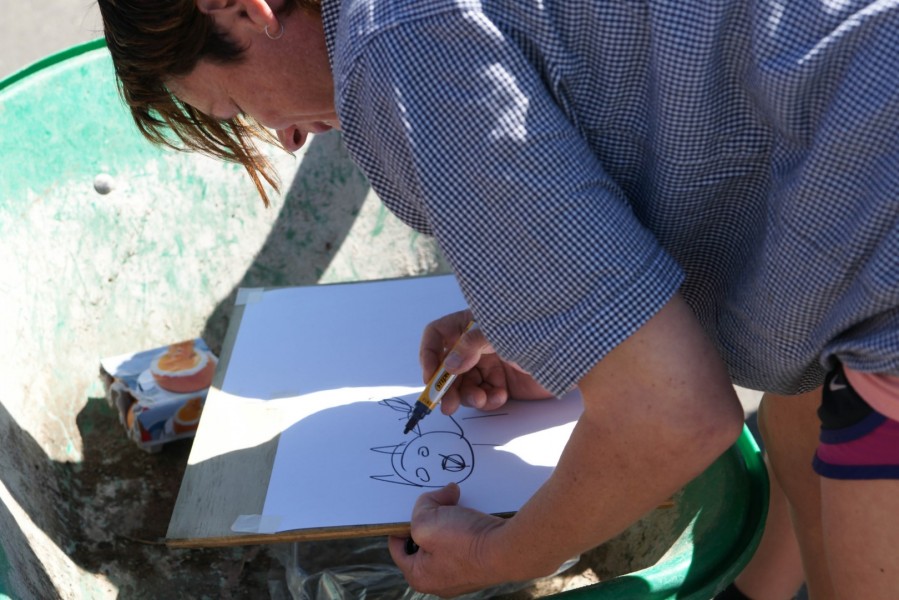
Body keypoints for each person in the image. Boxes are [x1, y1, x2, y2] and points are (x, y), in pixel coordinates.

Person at [97, 0, 899, 597]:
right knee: (797, 431)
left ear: (242, 8)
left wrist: (499, 555)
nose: (285, 136)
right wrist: (563, 324)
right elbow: (673, 103)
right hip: (850, 130)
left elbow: (674, 415)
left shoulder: (393, 43)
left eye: (237, 105)